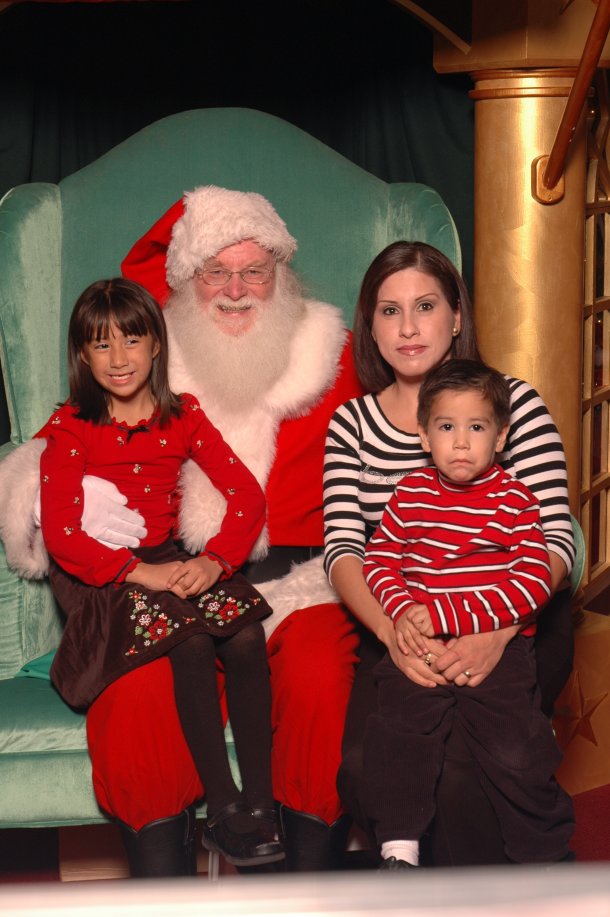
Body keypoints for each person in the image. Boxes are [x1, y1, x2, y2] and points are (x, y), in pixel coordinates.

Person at [0, 186, 363, 875]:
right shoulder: (160, 357)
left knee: (318, 677)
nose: (234, 289)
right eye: (213, 270)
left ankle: (304, 882)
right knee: (135, 695)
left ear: (282, 275)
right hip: (171, 574)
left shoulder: (333, 354)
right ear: (185, 281)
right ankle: (162, 886)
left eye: (254, 270)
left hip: (304, 580)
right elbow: (88, 390)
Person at [323, 241, 575, 865]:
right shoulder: (352, 423)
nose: (408, 328)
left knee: (467, 771)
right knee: (368, 763)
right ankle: (403, 874)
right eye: (389, 311)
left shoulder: (512, 403)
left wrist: (496, 632)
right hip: (403, 620)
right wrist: (397, 632)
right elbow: (347, 550)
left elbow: (557, 543)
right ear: (369, 327)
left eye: (426, 306)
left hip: (515, 621)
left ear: (457, 316)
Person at [39, 277, 284, 871]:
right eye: (101, 345)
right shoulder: (71, 428)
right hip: (103, 572)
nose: (119, 358)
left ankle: (261, 804)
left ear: (155, 345)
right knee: (192, 639)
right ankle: (222, 810)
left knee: (247, 635)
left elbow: (247, 498)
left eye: (132, 340)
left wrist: (215, 559)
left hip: (172, 558)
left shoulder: (183, 416)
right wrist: (135, 574)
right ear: (82, 355)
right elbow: (61, 535)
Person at [361, 359, 574, 868]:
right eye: (446, 427)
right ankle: (399, 849)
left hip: (499, 652)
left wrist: (447, 613)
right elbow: (379, 559)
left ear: (500, 437)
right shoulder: (409, 495)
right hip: (421, 643)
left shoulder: (516, 502)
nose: (461, 443)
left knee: (515, 750)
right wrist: (405, 609)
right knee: (400, 733)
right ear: (423, 434)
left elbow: (528, 584)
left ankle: (543, 858)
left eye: (476, 428)